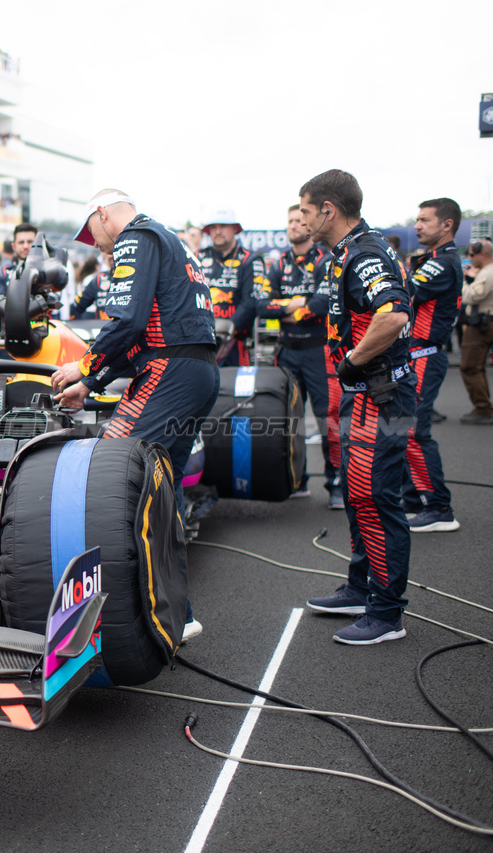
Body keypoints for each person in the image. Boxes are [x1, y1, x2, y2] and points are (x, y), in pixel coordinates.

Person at [51, 190, 219, 640]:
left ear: (104, 214)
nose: (99, 246)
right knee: (160, 492)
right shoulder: (171, 240)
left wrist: (82, 366)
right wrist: (90, 384)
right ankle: (177, 616)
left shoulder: (135, 236)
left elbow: (126, 323)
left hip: (171, 371)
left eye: (95, 234)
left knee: (109, 474)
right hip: (197, 371)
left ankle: (118, 613)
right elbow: (145, 336)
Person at [299, 169, 415, 645]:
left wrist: (353, 359)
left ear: (328, 209)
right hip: (364, 394)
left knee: (376, 497)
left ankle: (387, 614)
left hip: (382, 395)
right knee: (357, 492)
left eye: (305, 209)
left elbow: (395, 314)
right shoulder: (346, 252)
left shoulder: (365, 252)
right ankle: (360, 587)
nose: (301, 218)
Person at [255, 204, 336, 505]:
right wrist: (295, 305)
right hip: (287, 352)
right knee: (289, 419)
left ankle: (337, 485)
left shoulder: (326, 261)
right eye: (289, 221)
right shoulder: (276, 265)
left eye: (299, 220)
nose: (293, 225)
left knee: (329, 419)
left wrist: (287, 308)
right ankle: (297, 479)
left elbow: (320, 305)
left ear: (310, 225)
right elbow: (262, 307)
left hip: (319, 351)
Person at [401, 198, 463, 533]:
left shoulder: (443, 262)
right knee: (402, 429)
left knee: (413, 431)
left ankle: (439, 508)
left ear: (447, 224)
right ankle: (413, 501)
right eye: (417, 219)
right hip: (415, 356)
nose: (417, 225)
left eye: (425, 220)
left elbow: (405, 292)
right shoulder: (432, 259)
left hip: (426, 356)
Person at [199, 210, 265, 367]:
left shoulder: (251, 260)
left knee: (236, 389)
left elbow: (252, 301)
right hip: (202, 340)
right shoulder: (197, 258)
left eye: (223, 226)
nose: (218, 231)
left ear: (235, 229)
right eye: (213, 227)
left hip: (237, 341)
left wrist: (228, 328)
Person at [0, 222, 36, 347]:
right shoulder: (2, 273)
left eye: (30, 242)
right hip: (10, 339)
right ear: (13, 246)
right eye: (21, 242)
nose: (25, 246)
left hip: (42, 339)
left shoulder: (48, 272)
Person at [459, 240, 493, 425]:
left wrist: (465, 281)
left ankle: (483, 408)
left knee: (470, 366)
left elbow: (471, 296)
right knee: (477, 366)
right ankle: (484, 406)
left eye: (472, 255)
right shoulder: (486, 272)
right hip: (484, 321)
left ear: (483, 254)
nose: (470, 258)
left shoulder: (487, 273)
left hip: (481, 323)